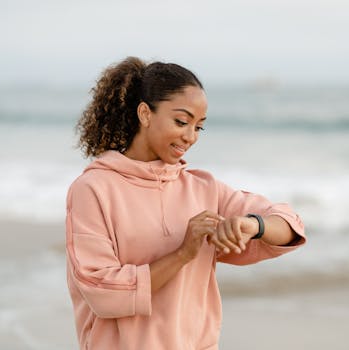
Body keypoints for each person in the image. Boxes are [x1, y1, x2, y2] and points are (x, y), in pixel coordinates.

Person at [65, 56, 306, 350]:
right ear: (145, 113)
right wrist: (183, 253)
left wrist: (251, 225)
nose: (190, 137)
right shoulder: (93, 189)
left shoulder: (203, 189)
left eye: (199, 127)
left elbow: (289, 224)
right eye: (181, 121)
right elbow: (102, 292)